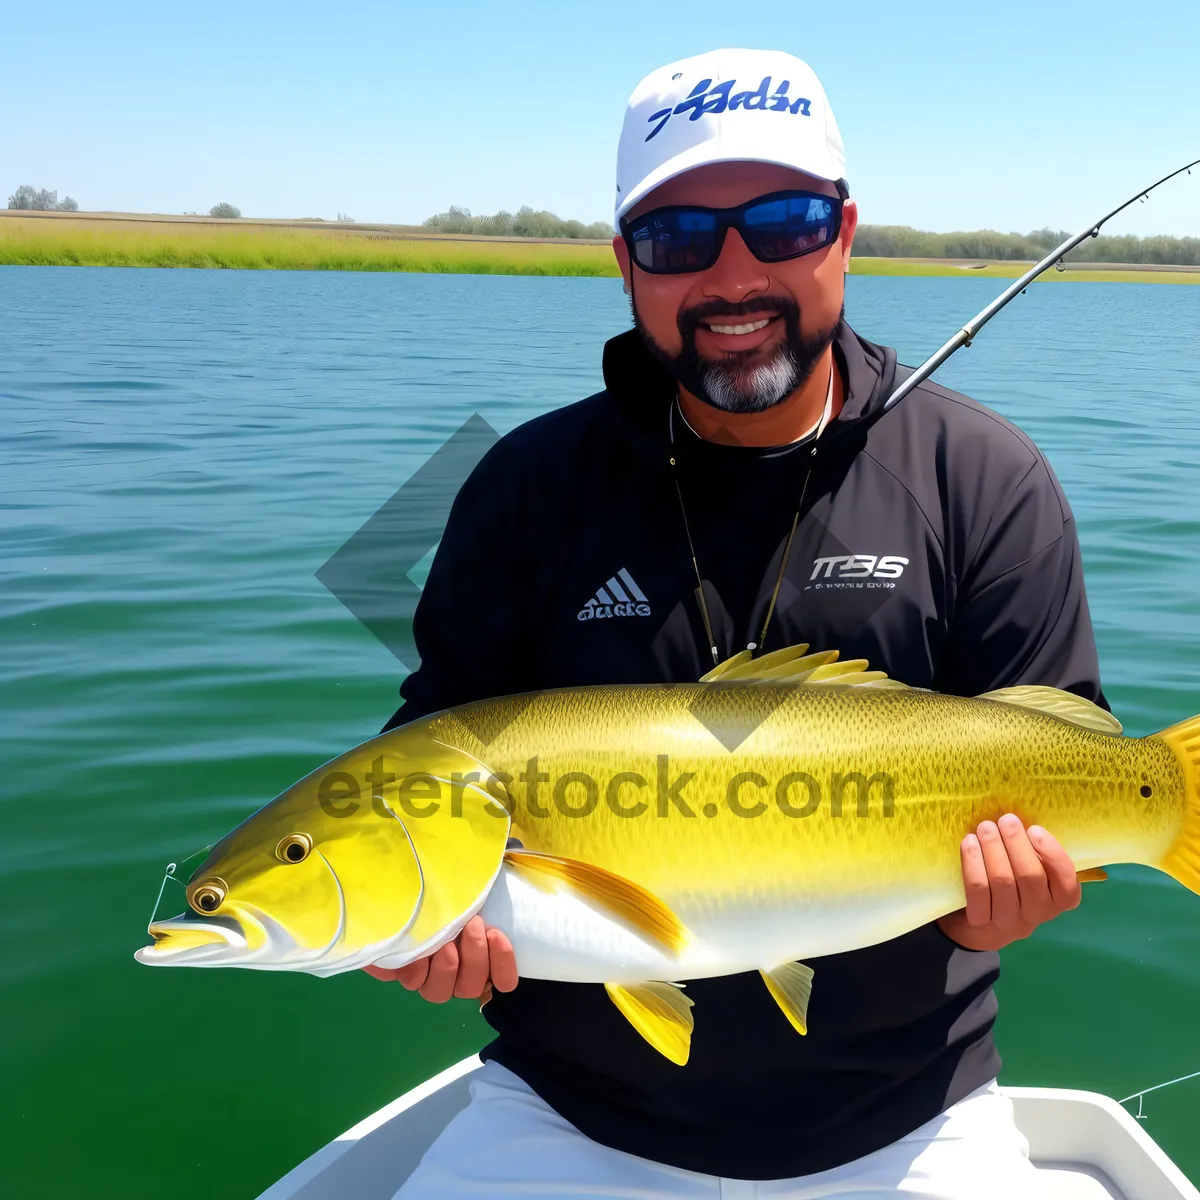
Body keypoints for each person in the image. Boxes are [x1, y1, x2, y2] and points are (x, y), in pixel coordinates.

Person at [369, 48, 1105, 1198]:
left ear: (845, 233)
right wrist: (416, 920)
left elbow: (1064, 744)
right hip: (566, 1112)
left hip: (913, 1109)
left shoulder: (985, 477)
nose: (733, 274)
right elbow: (431, 755)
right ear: (624, 264)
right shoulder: (522, 485)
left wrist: (995, 913)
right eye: (677, 240)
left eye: (784, 222)